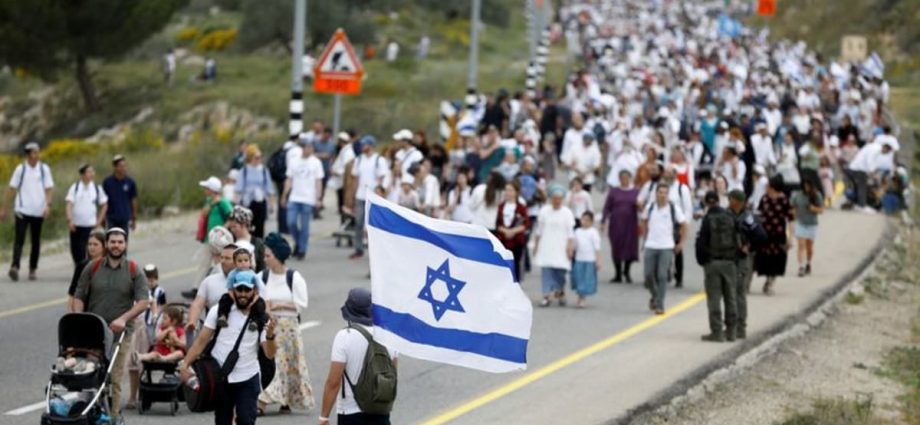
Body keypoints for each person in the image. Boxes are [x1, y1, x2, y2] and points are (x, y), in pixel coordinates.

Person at [181, 273, 278, 425]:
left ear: (255, 292)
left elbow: (269, 353)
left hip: (248, 377)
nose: (243, 294)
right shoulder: (219, 311)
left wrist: (271, 336)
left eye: (247, 290)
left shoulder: (262, 318)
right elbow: (201, 341)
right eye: (239, 289)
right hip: (221, 377)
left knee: (246, 420)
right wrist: (185, 364)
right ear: (232, 291)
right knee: (223, 421)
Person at [72, 227, 149, 420]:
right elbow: (79, 295)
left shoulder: (133, 270)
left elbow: (143, 302)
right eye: (112, 242)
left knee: (114, 377)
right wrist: (79, 319)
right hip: (94, 331)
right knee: (89, 374)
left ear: (125, 245)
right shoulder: (93, 267)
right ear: (106, 244)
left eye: (120, 242)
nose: (116, 245)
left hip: (120, 333)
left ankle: (112, 418)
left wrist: (123, 318)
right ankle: (89, 414)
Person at [318, 288, 398, 425]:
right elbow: (393, 373)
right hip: (381, 411)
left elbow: (333, 382)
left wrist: (324, 417)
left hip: (350, 413)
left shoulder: (345, 337)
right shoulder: (388, 335)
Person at [257, 232, 315, 415]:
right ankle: (262, 401)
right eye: (264, 256)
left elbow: (301, 304)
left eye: (269, 256)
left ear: (278, 256)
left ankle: (284, 401)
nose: (265, 260)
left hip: (289, 328)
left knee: (290, 365)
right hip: (269, 326)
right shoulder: (262, 277)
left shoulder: (294, 277)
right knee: (276, 363)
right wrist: (265, 307)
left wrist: (280, 304)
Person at [1, 142, 54, 281]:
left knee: (35, 241)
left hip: (38, 210)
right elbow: (11, 189)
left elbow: (49, 188)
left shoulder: (44, 169)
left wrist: (48, 205)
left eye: (38, 152)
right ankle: (15, 267)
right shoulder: (21, 169)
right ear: (28, 154)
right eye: (34, 152)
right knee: (19, 239)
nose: (37, 155)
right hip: (22, 210)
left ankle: (32, 269)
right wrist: (4, 208)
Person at [695, 191, 739, 342]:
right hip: (729, 263)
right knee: (731, 297)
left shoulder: (707, 219)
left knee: (714, 298)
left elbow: (701, 244)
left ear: (707, 203)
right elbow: (739, 238)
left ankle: (717, 332)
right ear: (719, 202)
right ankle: (732, 331)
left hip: (713, 263)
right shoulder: (731, 217)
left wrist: (703, 261)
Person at [640, 184, 687, 315]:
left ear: (668, 195)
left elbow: (684, 225)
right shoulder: (650, 207)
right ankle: (655, 295)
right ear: (656, 193)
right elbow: (643, 220)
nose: (662, 195)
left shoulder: (673, 208)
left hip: (666, 245)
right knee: (648, 274)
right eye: (660, 192)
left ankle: (660, 304)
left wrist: (681, 243)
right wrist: (645, 234)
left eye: (665, 193)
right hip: (651, 244)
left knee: (662, 275)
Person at [126, 263, 166, 410]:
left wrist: (156, 316)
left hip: (144, 328)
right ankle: (132, 395)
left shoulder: (153, 292)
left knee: (141, 362)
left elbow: (155, 304)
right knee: (131, 363)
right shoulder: (130, 291)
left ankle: (140, 393)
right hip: (131, 329)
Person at [728, 189, 763, 340]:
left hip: (741, 259)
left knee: (739, 293)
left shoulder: (748, 218)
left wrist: (748, 247)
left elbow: (761, 236)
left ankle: (740, 327)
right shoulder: (726, 214)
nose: (730, 201)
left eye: (732, 199)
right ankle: (731, 326)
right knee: (730, 294)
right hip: (728, 258)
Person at [533, 185, 576, 307]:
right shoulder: (544, 211)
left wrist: (570, 247)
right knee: (547, 270)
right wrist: (536, 246)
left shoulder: (567, 213)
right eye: (554, 198)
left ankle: (560, 291)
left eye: (559, 199)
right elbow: (539, 231)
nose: (557, 201)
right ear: (551, 199)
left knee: (560, 272)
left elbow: (570, 233)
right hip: (547, 245)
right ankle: (546, 295)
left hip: (561, 247)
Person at [282, 139, 324, 260]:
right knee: (291, 222)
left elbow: (318, 181)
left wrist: (318, 198)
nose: (310, 150)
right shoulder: (294, 161)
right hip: (295, 196)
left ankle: (302, 249)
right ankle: (298, 241)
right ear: (303, 148)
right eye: (308, 147)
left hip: (308, 198)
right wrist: (284, 195)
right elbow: (289, 179)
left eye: (312, 148)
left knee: (305, 226)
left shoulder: (316, 162)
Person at [349, 136, 388, 260]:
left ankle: (375, 249)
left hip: (374, 197)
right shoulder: (359, 160)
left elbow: (383, 177)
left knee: (371, 225)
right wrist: (352, 194)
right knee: (359, 222)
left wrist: (380, 193)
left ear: (370, 145)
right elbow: (355, 178)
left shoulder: (379, 160)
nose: (362, 147)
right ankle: (358, 248)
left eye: (364, 144)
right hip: (361, 195)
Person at [755, 176, 794, 295]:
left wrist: (790, 238)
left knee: (777, 260)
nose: (766, 188)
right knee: (763, 259)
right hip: (764, 234)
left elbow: (791, 220)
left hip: (778, 235)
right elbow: (760, 215)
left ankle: (771, 282)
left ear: (773, 187)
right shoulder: (765, 199)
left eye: (768, 186)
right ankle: (767, 278)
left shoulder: (785, 200)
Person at [187, 243, 237, 333]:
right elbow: (197, 304)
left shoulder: (248, 281)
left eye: (227, 258)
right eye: (222, 257)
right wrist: (192, 321)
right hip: (214, 335)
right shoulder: (209, 281)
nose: (223, 261)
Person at [215, 248, 269, 329]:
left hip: (251, 297)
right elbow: (229, 289)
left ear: (250, 262)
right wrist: (235, 300)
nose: (243, 263)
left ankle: (255, 322)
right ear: (235, 263)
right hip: (235, 295)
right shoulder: (232, 274)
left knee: (260, 304)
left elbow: (257, 291)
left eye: (245, 260)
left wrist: (252, 302)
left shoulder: (253, 275)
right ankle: (223, 316)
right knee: (224, 298)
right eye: (240, 261)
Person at [65, 164, 107, 265]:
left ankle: (87, 268)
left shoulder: (97, 188)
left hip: (90, 225)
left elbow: (104, 204)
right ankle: (79, 266)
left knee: (89, 248)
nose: (92, 174)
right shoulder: (75, 187)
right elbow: (69, 204)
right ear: (83, 174)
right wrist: (70, 220)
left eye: (93, 171)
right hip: (76, 225)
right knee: (75, 249)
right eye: (89, 172)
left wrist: (99, 221)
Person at [602, 170, 639, 283]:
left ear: (630, 178)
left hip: (630, 223)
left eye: (627, 178)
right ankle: (617, 273)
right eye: (622, 178)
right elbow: (607, 207)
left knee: (630, 246)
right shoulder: (614, 191)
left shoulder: (636, 191)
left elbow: (641, 206)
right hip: (616, 223)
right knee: (616, 246)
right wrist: (604, 220)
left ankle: (626, 272)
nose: (624, 180)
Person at [235, 145, 275, 238]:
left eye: (260, 157)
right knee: (248, 228)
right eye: (256, 157)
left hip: (261, 202)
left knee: (260, 228)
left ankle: (258, 249)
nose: (259, 159)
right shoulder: (244, 171)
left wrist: (272, 204)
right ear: (250, 158)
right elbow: (238, 189)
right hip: (247, 203)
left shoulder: (264, 170)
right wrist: (235, 205)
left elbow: (269, 188)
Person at [495, 180, 529, 281]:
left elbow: (525, 223)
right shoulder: (501, 206)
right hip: (503, 240)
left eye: (510, 190)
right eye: (506, 190)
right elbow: (498, 224)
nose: (508, 193)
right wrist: (505, 231)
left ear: (516, 192)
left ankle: (515, 284)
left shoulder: (521, 207)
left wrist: (513, 231)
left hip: (516, 241)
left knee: (516, 265)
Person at [791, 179, 824, 277]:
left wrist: (814, 209)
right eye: (805, 185)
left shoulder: (816, 195)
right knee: (801, 245)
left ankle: (808, 263)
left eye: (808, 186)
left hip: (812, 224)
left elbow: (821, 210)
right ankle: (801, 266)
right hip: (800, 223)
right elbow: (793, 207)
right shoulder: (797, 195)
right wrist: (792, 216)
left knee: (809, 246)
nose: (807, 188)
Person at [67, 230, 106, 312]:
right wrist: (71, 313)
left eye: (95, 244)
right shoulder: (82, 266)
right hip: (85, 310)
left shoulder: (109, 265)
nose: (92, 247)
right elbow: (73, 292)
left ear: (104, 246)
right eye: (89, 244)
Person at [103, 154, 139, 234]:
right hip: (111, 218)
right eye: (121, 166)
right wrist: (103, 218)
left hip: (124, 218)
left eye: (124, 166)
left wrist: (134, 218)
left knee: (123, 242)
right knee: (111, 241)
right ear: (115, 167)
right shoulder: (107, 182)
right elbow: (104, 201)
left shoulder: (130, 182)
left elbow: (133, 200)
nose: (123, 168)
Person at [572, 211, 601, 308]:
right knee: (578, 278)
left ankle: (582, 298)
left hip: (589, 259)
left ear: (591, 222)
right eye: (583, 219)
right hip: (579, 259)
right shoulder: (577, 232)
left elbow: (597, 248)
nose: (584, 222)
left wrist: (598, 261)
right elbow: (574, 245)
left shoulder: (593, 232)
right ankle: (580, 296)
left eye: (587, 220)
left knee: (586, 279)